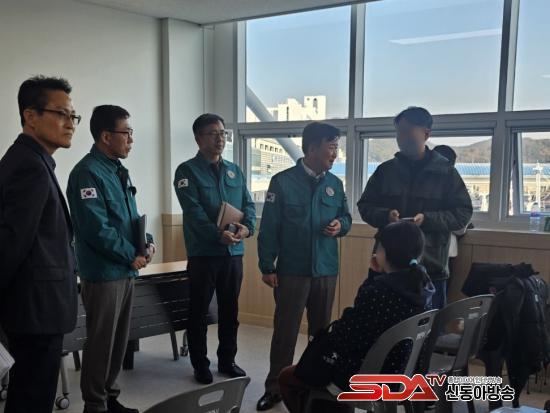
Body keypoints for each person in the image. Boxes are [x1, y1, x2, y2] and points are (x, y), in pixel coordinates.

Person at [278, 221, 435, 413]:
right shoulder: (423, 286)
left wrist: (372, 277)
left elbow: (344, 337)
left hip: (368, 377)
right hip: (405, 372)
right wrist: (375, 276)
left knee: (288, 377)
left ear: (385, 253)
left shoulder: (378, 292)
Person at [256, 122, 352, 411]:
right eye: (331, 147)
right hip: (292, 271)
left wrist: (340, 225)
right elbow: (269, 228)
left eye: (336, 147)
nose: (335, 153)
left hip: (326, 270)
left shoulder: (335, 184)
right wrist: (267, 266)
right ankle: (275, 387)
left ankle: (314, 384)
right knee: (285, 332)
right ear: (312, 148)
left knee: (321, 334)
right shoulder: (282, 182)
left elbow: (346, 218)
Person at [67, 105, 155, 413]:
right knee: (102, 341)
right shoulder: (87, 172)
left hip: (125, 270)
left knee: (119, 340)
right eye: (126, 133)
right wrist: (131, 255)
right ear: (106, 136)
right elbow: (96, 229)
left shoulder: (117, 170)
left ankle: (110, 396)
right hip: (104, 272)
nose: (131, 139)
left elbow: (130, 219)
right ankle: (95, 404)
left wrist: (147, 243)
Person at [0, 76, 79, 413]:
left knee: (29, 395)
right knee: (32, 399)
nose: (70, 123)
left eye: (73, 116)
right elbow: (11, 244)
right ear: (30, 116)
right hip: (35, 310)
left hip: (36, 308)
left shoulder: (32, 160)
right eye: (61, 114)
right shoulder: (29, 166)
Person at [357, 107, 472, 309]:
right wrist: (386, 215)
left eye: (407, 132)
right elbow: (365, 206)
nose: (401, 138)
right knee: (379, 322)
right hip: (387, 266)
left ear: (426, 134)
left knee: (427, 325)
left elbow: (462, 213)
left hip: (430, 267)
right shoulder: (386, 171)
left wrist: (427, 219)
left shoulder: (445, 172)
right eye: (398, 132)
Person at [174, 113, 256, 385]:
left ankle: (227, 360)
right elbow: (194, 212)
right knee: (198, 312)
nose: (220, 138)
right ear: (199, 139)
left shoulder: (234, 170)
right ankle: (200, 364)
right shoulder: (187, 171)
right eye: (213, 133)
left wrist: (247, 228)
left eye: (223, 133)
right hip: (204, 254)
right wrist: (216, 235)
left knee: (230, 311)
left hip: (233, 255)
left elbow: (248, 204)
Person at [432, 145, 470, 292]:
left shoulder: (418, 182)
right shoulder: (453, 187)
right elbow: (460, 228)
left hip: (416, 252)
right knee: (439, 298)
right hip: (445, 253)